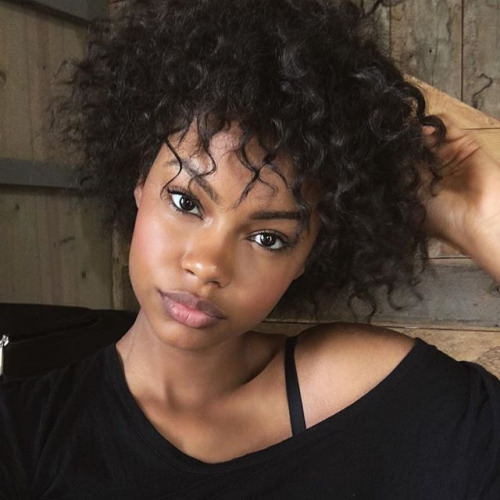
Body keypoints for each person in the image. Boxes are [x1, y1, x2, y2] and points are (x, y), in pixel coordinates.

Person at [1, 0, 499, 498]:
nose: (207, 265)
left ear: (309, 255)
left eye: (268, 238)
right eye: (185, 201)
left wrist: (482, 218)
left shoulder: (364, 396)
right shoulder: (27, 432)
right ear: (139, 181)